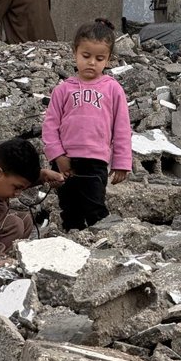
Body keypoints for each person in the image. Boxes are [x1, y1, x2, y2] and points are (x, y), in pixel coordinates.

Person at [42, 19, 133, 230]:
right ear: (75, 53)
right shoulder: (63, 90)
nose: (92, 62)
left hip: (95, 161)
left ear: (108, 60)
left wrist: (121, 162)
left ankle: (102, 241)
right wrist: (57, 156)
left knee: (95, 207)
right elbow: (50, 126)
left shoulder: (113, 89)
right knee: (69, 207)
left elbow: (121, 128)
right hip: (65, 160)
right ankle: (74, 239)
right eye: (86, 56)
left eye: (99, 58)